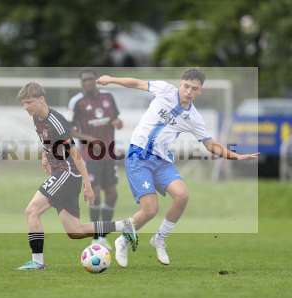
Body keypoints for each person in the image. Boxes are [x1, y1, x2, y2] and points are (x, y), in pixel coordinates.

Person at [96, 68, 259, 267]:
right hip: (138, 156)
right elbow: (136, 83)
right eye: (186, 86)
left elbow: (210, 144)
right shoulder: (164, 90)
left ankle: (160, 239)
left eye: (194, 89)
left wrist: (236, 156)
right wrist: (110, 79)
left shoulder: (195, 118)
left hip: (162, 161)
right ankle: (124, 239)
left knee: (182, 195)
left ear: (200, 91)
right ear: (180, 83)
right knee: (150, 210)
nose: (189, 91)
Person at [16, 82, 137, 270]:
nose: (26, 107)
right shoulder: (37, 117)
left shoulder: (56, 121)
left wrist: (88, 185)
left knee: (32, 211)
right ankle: (125, 226)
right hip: (61, 173)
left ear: (41, 100)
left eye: (29, 102)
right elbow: (46, 140)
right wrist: (45, 157)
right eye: (23, 103)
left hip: (67, 173)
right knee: (75, 231)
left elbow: (76, 154)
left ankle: (37, 262)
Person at [68, 69, 123, 250]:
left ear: (96, 80)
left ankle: (102, 235)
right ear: (81, 83)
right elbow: (69, 130)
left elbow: (116, 119)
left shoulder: (108, 97)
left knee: (112, 194)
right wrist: (89, 139)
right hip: (89, 156)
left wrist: (117, 122)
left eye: (91, 79)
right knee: (95, 194)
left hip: (109, 153)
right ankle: (95, 236)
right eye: (84, 80)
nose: (88, 83)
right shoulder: (77, 102)